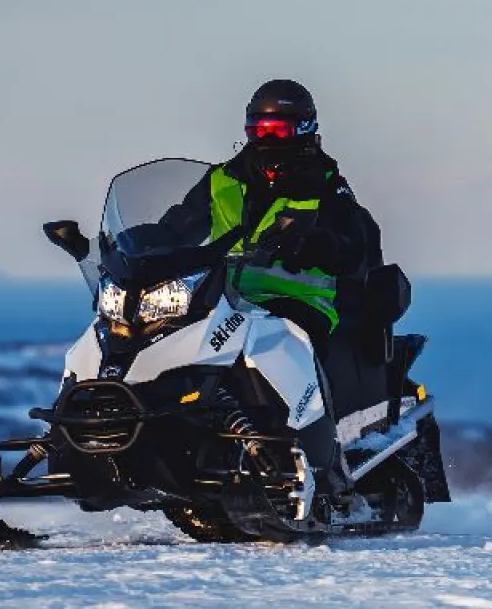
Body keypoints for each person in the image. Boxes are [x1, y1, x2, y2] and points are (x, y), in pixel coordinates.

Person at [154, 79, 384, 496]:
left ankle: (322, 456)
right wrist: (140, 246)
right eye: (257, 129)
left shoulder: (325, 185)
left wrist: (314, 243)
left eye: (276, 129)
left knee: (284, 343)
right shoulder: (221, 180)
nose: (265, 138)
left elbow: (356, 245)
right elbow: (179, 226)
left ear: (303, 129)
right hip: (224, 296)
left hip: (300, 300)